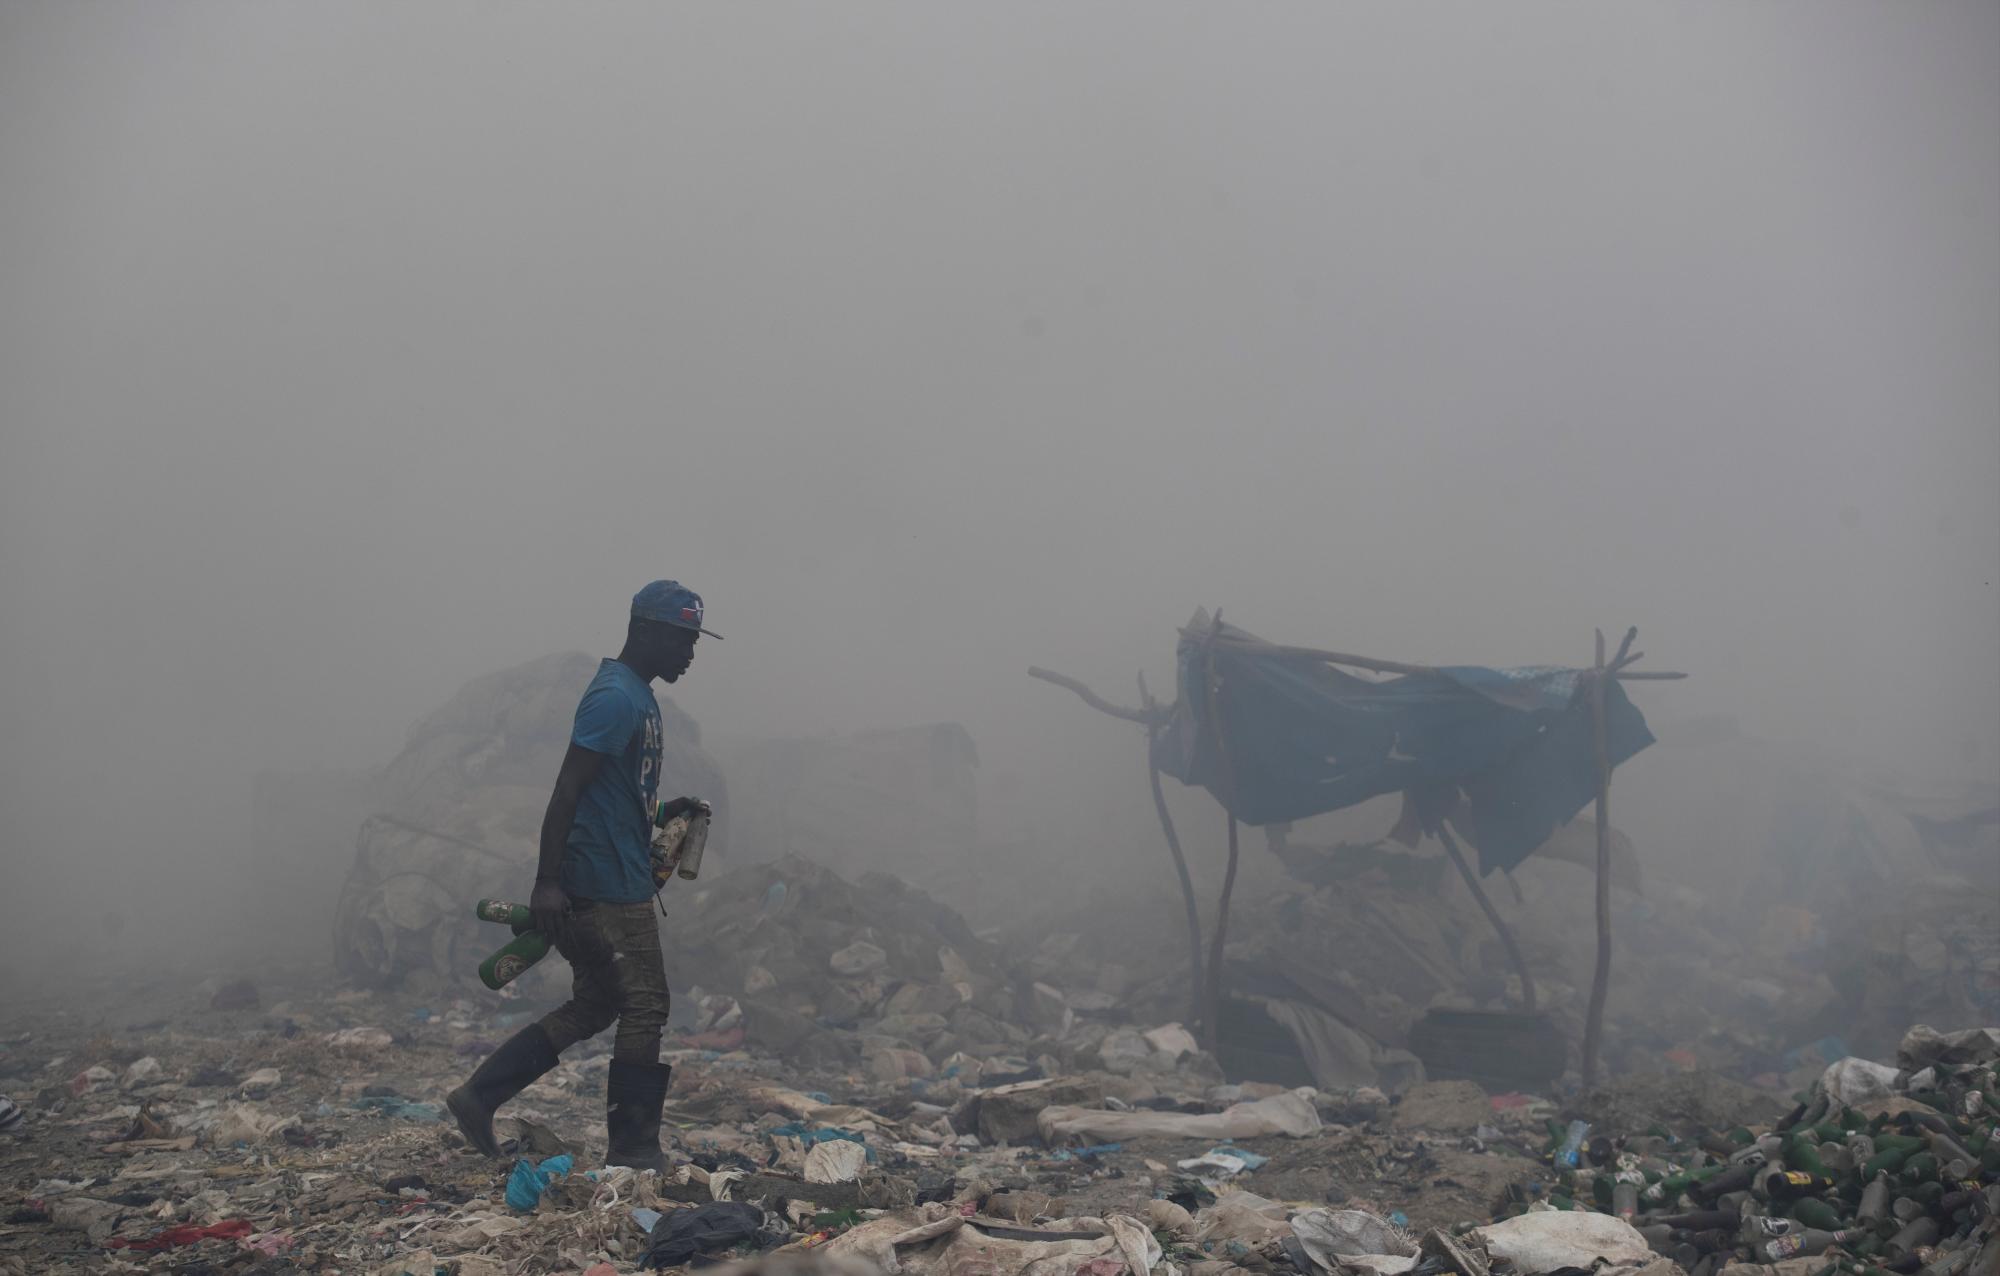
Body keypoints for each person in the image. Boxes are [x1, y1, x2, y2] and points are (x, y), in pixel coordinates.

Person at [447, 580, 721, 1171]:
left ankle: (479, 1096)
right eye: (682, 639)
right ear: (645, 631)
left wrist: (662, 811)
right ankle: (634, 1147)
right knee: (647, 1004)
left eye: (695, 641)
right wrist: (547, 882)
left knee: (596, 1003)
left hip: (611, 873)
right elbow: (567, 787)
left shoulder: (640, 697)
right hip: (603, 884)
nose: (690, 654)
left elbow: (610, 794)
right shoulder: (614, 697)